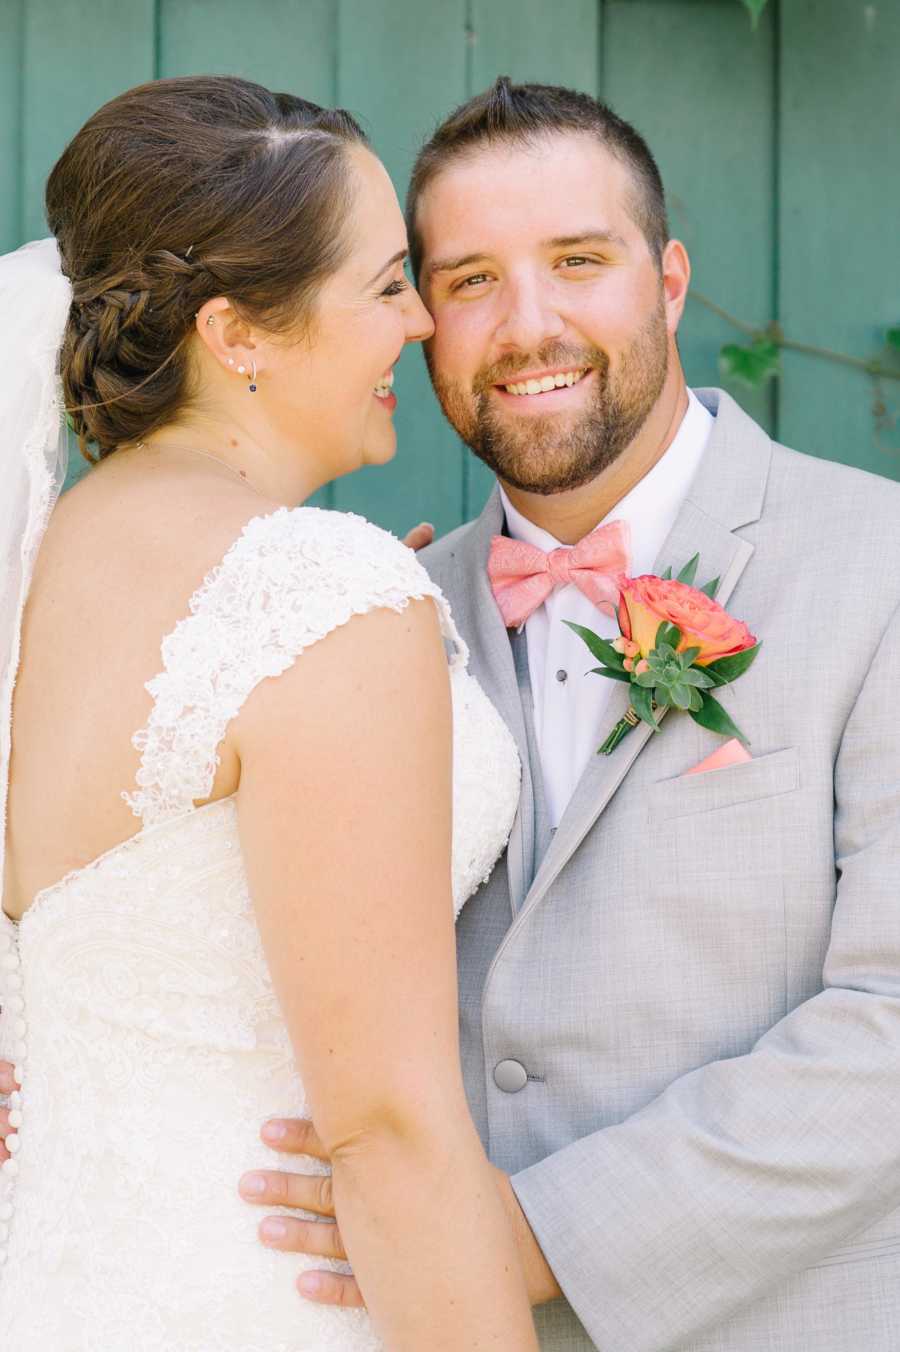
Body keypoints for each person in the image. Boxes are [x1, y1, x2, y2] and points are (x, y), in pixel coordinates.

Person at [235, 80, 900, 1351]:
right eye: (471, 279)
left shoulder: (881, 565)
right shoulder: (378, 615)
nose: (527, 326)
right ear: (419, 322)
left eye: (579, 261)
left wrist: (525, 1232)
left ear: (670, 281)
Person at [0, 76, 539, 1351]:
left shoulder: (49, 561)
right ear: (237, 333)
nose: (419, 323)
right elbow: (389, 1131)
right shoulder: (319, 596)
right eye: (385, 283)